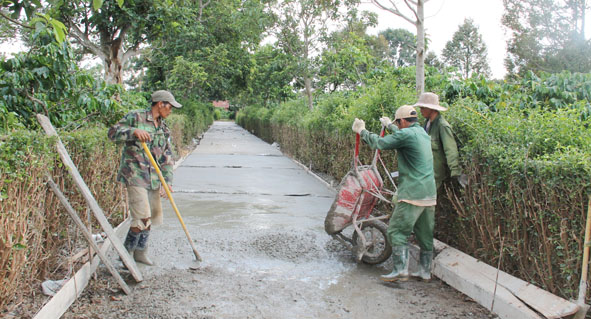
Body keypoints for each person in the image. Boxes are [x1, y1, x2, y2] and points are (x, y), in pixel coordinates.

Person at [352, 105, 436, 282]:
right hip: (429, 194)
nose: (398, 125)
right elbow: (402, 134)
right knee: (425, 235)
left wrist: (362, 131)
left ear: (403, 121)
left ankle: (400, 270)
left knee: (396, 231)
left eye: (398, 122)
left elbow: (379, 143)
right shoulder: (421, 133)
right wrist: (390, 125)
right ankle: (425, 271)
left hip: (412, 193)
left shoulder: (406, 134)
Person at [108, 90, 182, 265]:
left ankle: (140, 253)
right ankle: (124, 256)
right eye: (170, 107)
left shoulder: (163, 128)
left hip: (154, 177)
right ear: (160, 104)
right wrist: (133, 132)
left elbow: (167, 157)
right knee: (142, 216)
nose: (171, 111)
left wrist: (167, 182)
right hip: (135, 174)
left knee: (152, 218)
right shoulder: (136, 117)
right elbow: (112, 133)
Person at [413, 92, 466, 190]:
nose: (420, 110)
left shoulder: (442, 126)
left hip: (435, 176)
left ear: (431, 109)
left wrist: (456, 173)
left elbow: (451, 150)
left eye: (423, 108)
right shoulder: (427, 124)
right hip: (424, 173)